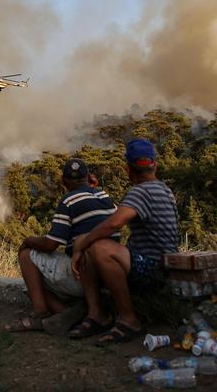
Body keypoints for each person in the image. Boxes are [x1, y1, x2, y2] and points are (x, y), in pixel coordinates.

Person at [70, 139, 179, 346]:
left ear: (127, 169)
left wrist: (80, 245)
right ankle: (97, 315)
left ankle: (129, 320)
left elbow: (114, 224)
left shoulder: (141, 191)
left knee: (100, 248)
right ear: (155, 165)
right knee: (92, 246)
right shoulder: (163, 189)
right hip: (160, 265)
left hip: (153, 269)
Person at [6, 158, 119, 335]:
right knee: (37, 276)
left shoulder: (68, 201)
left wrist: (28, 240)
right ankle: (70, 313)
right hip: (110, 274)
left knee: (27, 257)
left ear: (64, 181)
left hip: (83, 275)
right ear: (88, 177)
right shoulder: (105, 196)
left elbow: (51, 244)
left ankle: (40, 313)